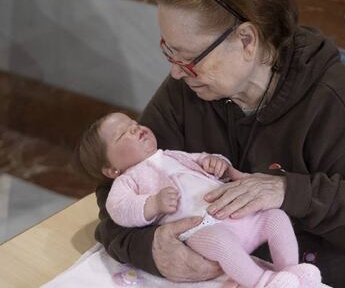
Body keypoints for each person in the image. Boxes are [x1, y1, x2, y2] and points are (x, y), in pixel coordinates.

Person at [93, 0, 345, 287]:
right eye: (169, 51)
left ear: (246, 40)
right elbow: (116, 193)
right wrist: (149, 247)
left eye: (189, 58)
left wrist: (289, 192)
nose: (176, 71)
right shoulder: (187, 91)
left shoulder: (336, 102)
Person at [75, 111, 321, 287]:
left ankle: (289, 271)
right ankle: (263, 282)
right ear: (111, 169)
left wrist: (215, 163)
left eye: (133, 123)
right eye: (122, 135)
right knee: (222, 243)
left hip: (235, 214)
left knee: (274, 216)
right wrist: (153, 205)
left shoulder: (171, 154)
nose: (135, 129)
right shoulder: (126, 181)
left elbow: (201, 158)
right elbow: (119, 209)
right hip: (202, 229)